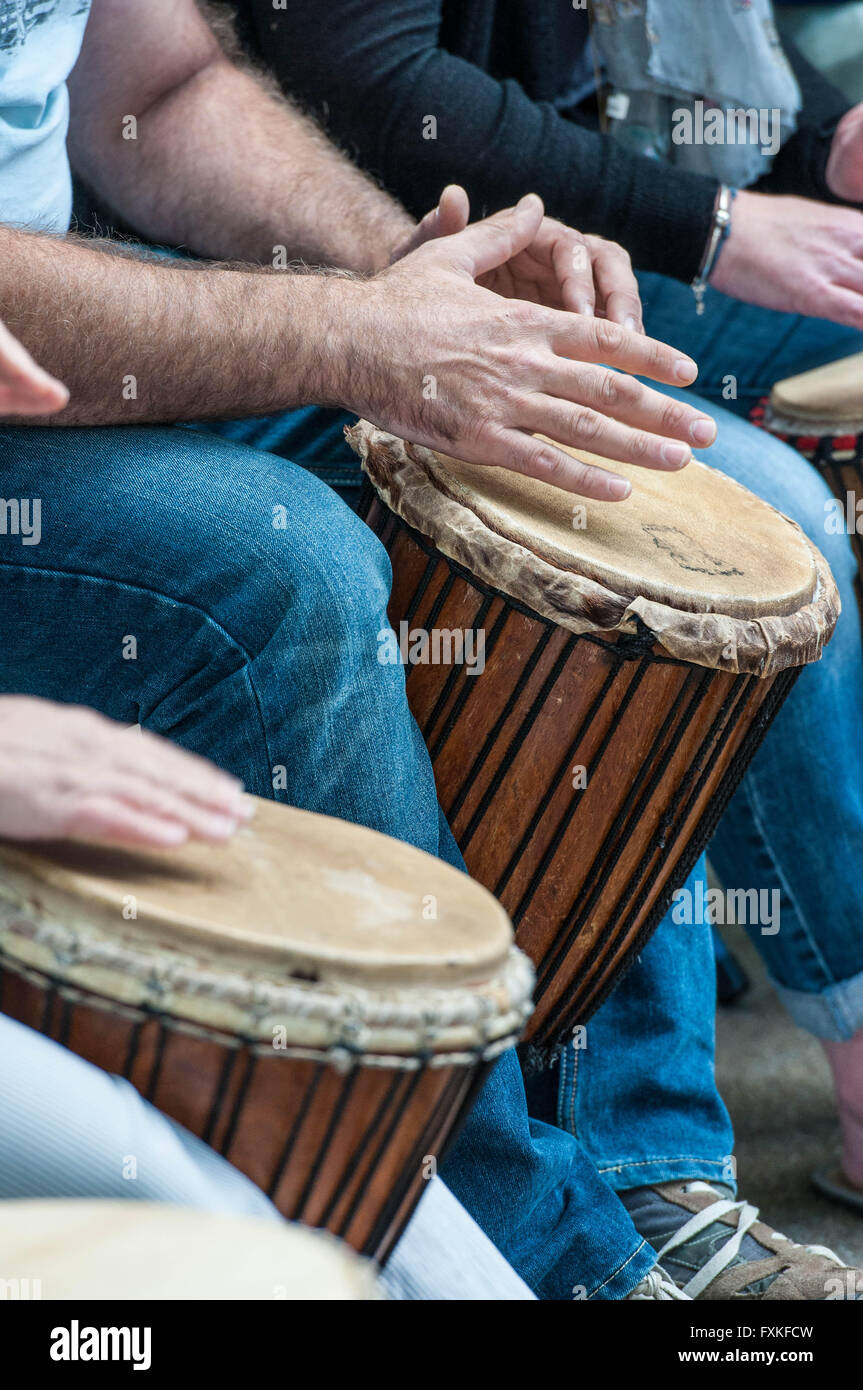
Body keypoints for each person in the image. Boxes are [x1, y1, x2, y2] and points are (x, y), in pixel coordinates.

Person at [0, 0, 727, 1304]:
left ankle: (642, 1161)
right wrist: (353, 338)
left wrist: (408, 276)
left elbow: (158, 88)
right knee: (276, 572)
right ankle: (547, 1255)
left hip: (70, 351)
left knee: (579, 464)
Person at [229, 0, 863, 1277]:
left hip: (518, 249)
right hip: (295, 283)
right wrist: (718, 229)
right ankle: (636, 1180)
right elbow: (366, 76)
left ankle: (657, 1171)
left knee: (700, 510)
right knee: (713, 515)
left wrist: (824, 131)